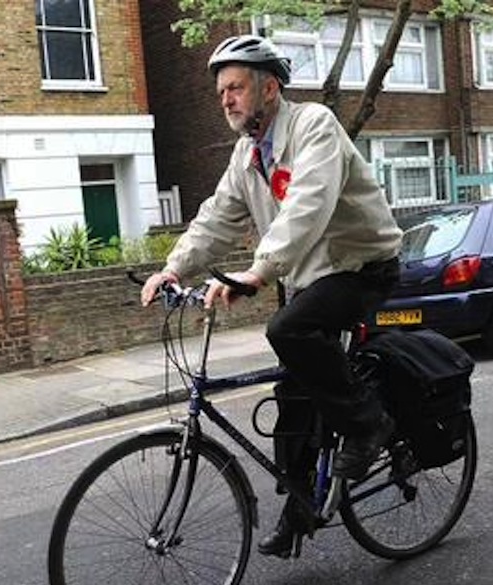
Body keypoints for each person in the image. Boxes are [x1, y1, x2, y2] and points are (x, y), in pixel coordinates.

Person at [141, 34, 402, 558]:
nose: (226, 100)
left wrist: (258, 273)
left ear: (269, 88)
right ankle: (300, 510)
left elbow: (308, 205)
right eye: (221, 93)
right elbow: (215, 219)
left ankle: (370, 424)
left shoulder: (313, 127)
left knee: (288, 330)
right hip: (308, 277)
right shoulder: (247, 155)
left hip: (361, 266)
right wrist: (172, 270)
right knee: (293, 398)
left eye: (235, 87)